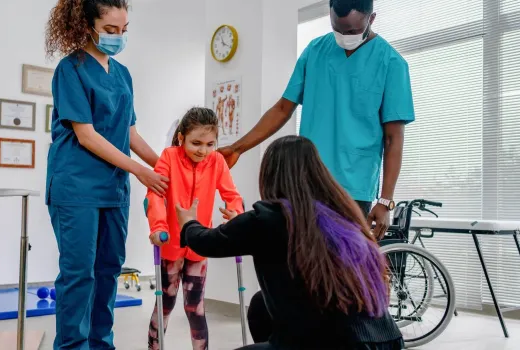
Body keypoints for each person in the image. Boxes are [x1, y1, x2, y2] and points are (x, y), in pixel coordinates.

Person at [218, 1, 414, 342]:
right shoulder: (315, 51)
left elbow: (394, 137)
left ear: (372, 19)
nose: (344, 36)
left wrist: (386, 199)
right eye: (338, 29)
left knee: (343, 278)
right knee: (300, 270)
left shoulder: (392, 63)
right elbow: (282, 108)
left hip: (351, 190)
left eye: (352, 30)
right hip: (303, 184)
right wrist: (238, 147)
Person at [176, 135, 404, 350]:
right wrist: (242, 225)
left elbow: (206, 242)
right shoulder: (339, 214)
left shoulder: (268, 217)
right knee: (260, 305)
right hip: (386, 340)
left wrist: (189, 223)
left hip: (339, 343)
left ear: (270, 174)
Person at [44, 1, 168, 349]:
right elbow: (87, 135)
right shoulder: (71, 69)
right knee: (79, 275)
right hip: (76, 186)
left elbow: (129, 133)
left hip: (113, 188)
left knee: (109, 271)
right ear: (87, 25)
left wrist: (166, 167)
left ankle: (101, 344)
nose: (118, 37)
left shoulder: (123, 74)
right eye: (110, 30)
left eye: (123, 30)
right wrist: (141, 171)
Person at [145, 107, 244, 350]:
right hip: (170, 243)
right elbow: (154, 195)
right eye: (196, 143)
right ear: (181, 138)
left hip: (199, 243)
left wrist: (236, 215)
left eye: (210, 144)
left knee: (195, 308)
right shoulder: (168, 157)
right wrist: (157, 227)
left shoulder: (217, 161)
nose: (203, 150)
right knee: (164, 305)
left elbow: (232, 195)